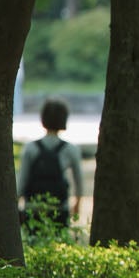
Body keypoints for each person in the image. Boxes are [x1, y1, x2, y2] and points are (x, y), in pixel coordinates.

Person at [17, 98, 83, 235]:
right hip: (59, 208)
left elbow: (22, 181)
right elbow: (79, 183)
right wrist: (76, 206)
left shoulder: (30, 148)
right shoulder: (71, 150)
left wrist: (18, 205)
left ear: (43, 119)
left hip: (33, 208)